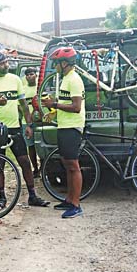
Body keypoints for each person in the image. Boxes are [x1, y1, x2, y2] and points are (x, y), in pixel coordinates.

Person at [0, 52, 49, 208]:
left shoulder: (15, 79)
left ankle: (32, 195)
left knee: (24, 161)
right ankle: (2, 197)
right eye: (2, 63)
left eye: (6, 62)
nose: (6, 65)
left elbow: (24, 105)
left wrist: (29, 125)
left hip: (15, 127)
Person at [41, 47, 85, 218]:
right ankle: (69, 199)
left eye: (56, 63)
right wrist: (54, 112)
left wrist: (54, 105)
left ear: (64, 63)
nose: (54, 66)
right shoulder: (65, 79)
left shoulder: (74, 80)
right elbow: (66, 102)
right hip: (64, 125)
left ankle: (76, 204)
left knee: (73, 165)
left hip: (72, 126)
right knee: (66, 163)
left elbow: (76, 107)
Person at [22, 67, 40, 176]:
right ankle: (35, 169)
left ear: (36, 75)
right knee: (31, 146)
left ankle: (44, 167)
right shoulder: (23, 89)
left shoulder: (40, 87)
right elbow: (20, 106)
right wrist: (28, 116)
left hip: (40, 120)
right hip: (26, 122)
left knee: (41, 145)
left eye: (31, 74)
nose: (29, 76)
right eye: (27, 75)